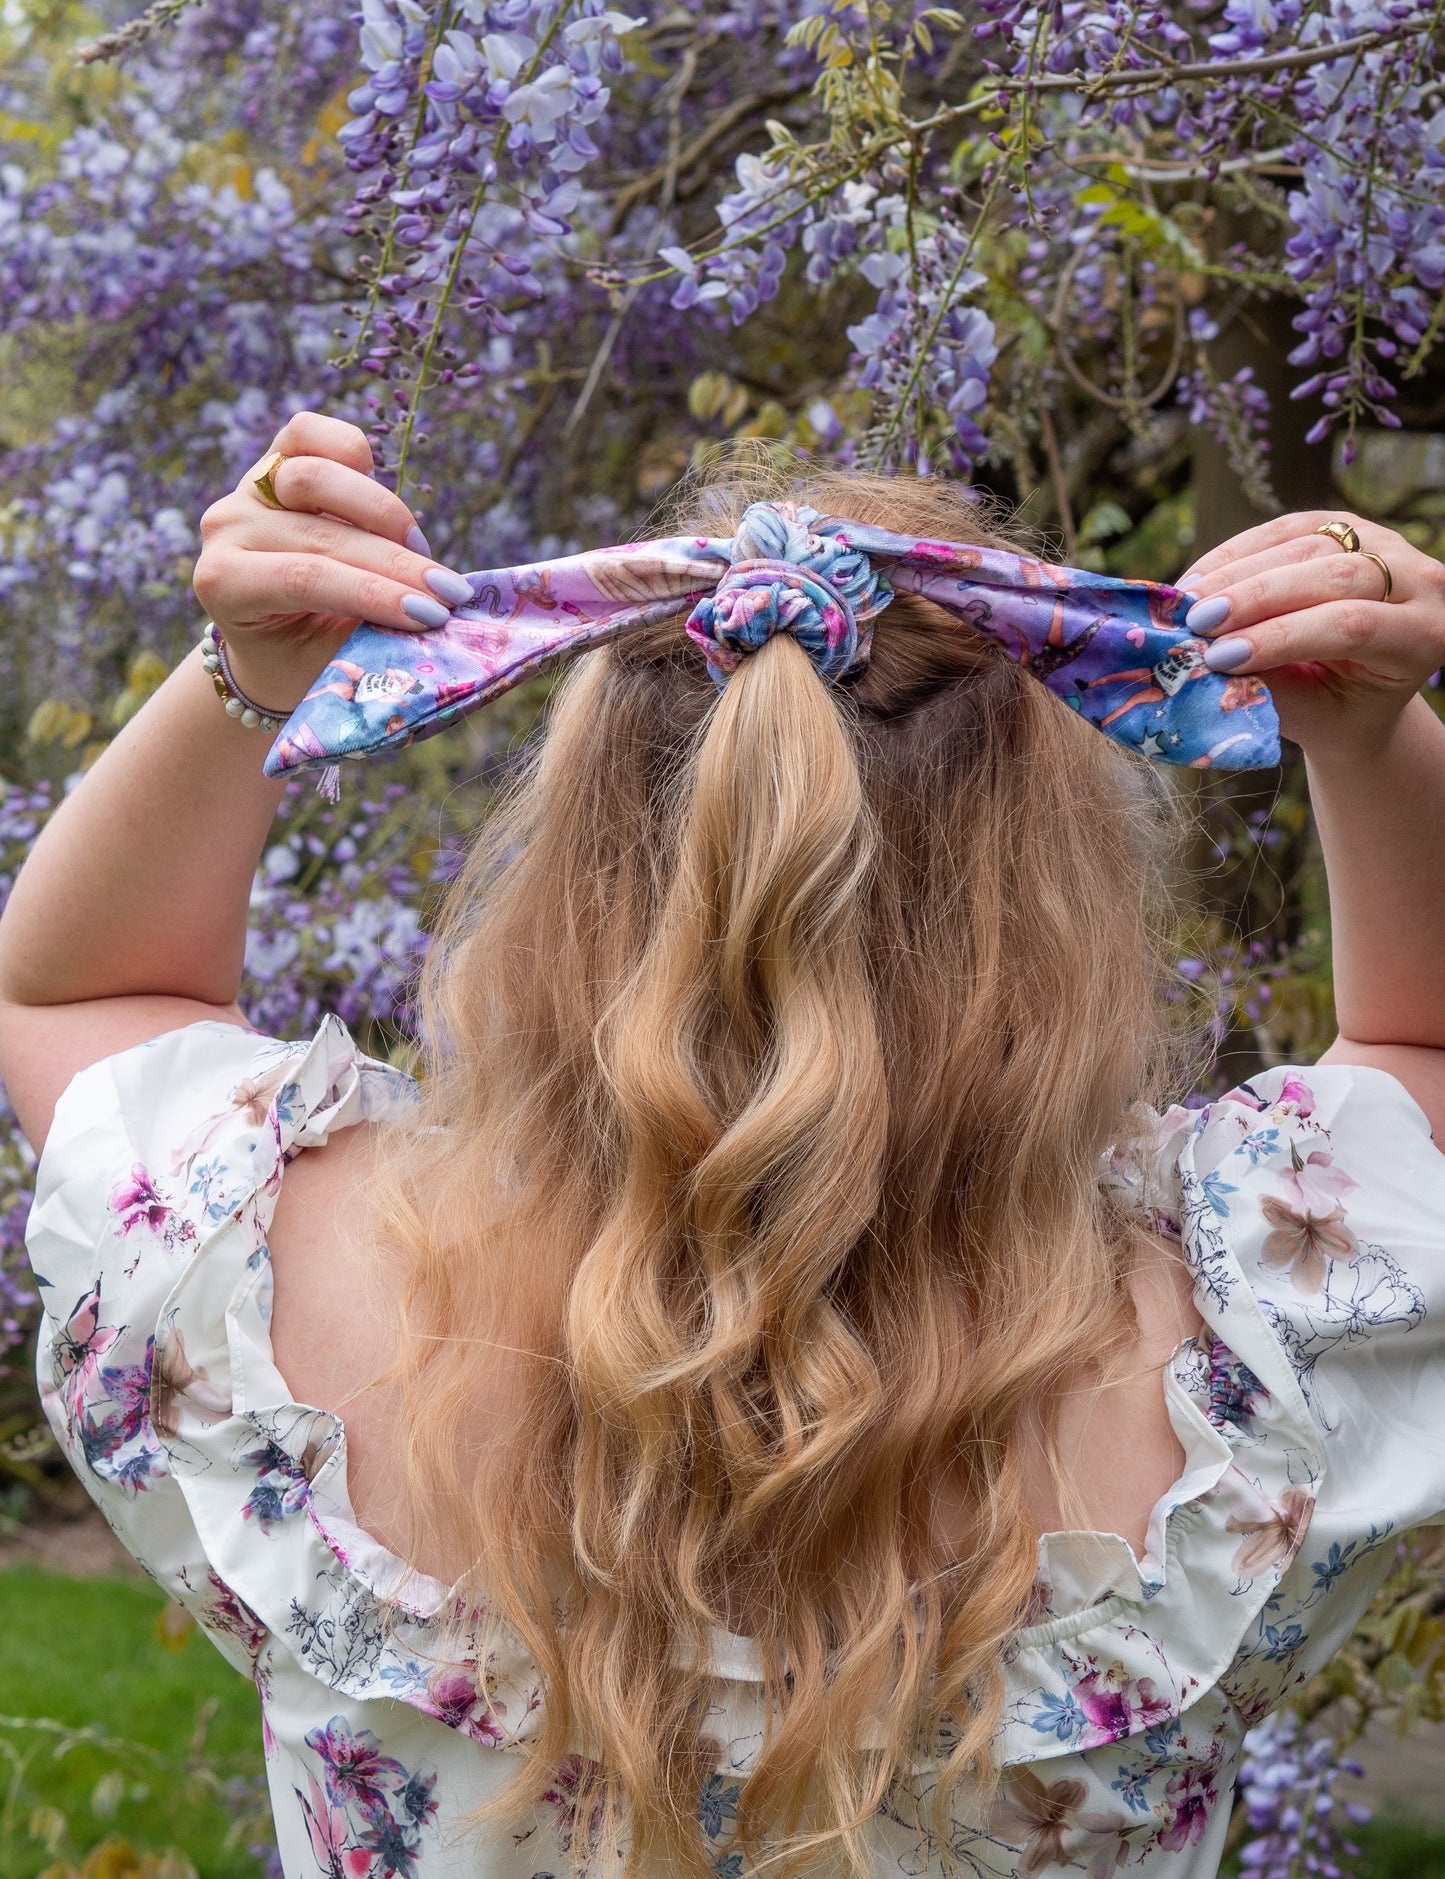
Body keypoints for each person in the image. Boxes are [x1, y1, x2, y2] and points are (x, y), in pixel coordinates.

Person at [2, 411, 1443, 1879]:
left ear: (567, 878)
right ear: (1061, 911)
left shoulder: (259, 1294)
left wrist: (248, 676)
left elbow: (83, 990)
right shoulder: (1257, 1345)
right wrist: (1369, 729)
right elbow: (1426, 1055)